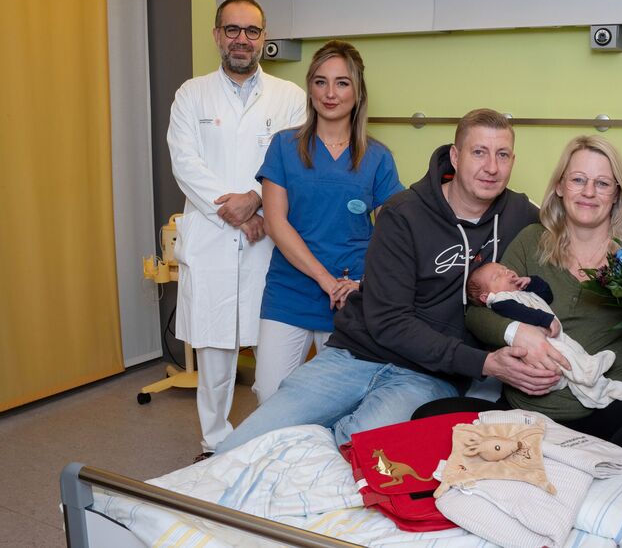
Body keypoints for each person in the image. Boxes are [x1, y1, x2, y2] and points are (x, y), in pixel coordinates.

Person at [215, 109, 543, 453]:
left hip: (429, 375)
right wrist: (483, 363)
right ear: (456, 156)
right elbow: (389, 322)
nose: (491, 167)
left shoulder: (521, 216)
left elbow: (575, 238)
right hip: (355, 355)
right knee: (237, 450)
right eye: (479, 152)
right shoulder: (404, 214)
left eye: (502, 155)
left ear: (512, 160)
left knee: (357, 461)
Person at [418, 135, 622, 476]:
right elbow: (477, 312)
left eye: (602, 183)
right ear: (561, 186)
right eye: (578, 180)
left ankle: (584, 465)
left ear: (616, 193)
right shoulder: (531, 240)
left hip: (606, 416)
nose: (589, 192)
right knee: (428, 418)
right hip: (525, 417)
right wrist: (517, 333)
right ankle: (575, 467)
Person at [167, 0, 306, 459]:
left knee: (275, 350)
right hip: (213, 234)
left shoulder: (290, 98)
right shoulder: (191, 94)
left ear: (263, 38)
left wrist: (257, 201)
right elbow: (185, 163)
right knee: (215, 349)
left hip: (269, 233)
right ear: (216, 36)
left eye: (251, 31)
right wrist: (234, 208)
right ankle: (214, 444)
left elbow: (294, 163)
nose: (242, 40)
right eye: (232, 30)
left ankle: (275, 440)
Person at [252, 40, 404, 405]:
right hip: (292, 289)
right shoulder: (285, 146)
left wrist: (362, 285)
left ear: (358, 91)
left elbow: (392, 235)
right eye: (321, 82)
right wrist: (325, 280)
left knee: (342, 401)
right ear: (310, 88)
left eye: (342, 83)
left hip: (351, 295)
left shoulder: (378, 158)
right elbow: (275, 222)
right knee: (270, 395)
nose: (330, 93)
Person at [467, 262, 622, 408]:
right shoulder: (501, 301)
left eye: (506, 269)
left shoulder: (523, 293)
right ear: (485, 297)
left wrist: (532, 282)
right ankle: (588, 370)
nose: (507, 272)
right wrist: (545, 320)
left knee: (575, 351)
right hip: (539, 346)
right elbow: (521, 312)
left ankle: (600, 390)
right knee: (566, 357)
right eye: (498, 276)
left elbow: (547, 295)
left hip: (555, 338)